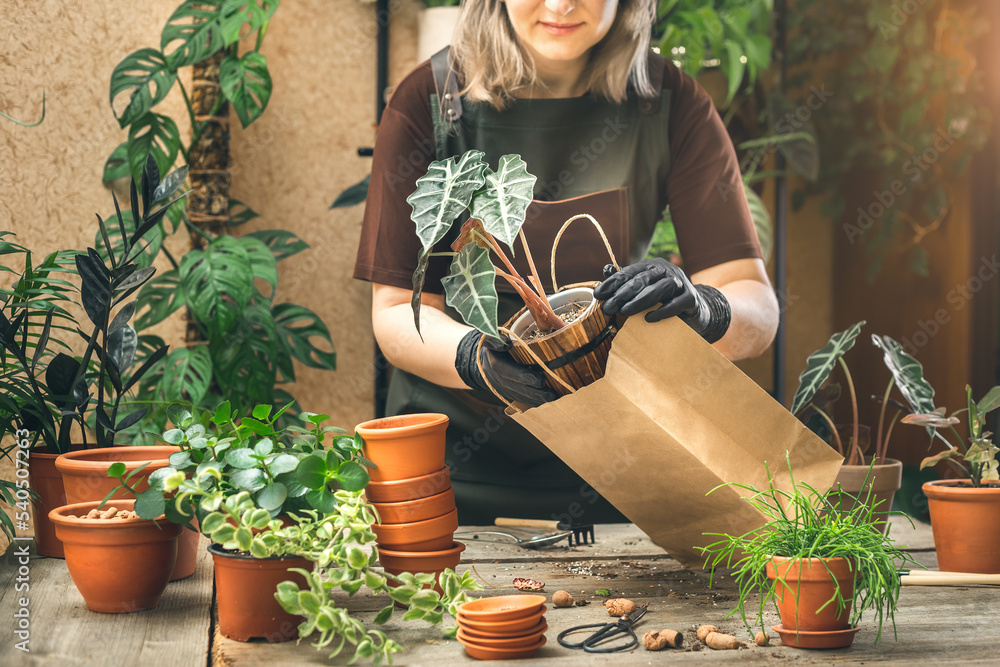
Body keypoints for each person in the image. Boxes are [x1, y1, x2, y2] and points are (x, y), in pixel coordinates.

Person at [353, 0, 779, 525]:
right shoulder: (428, 99)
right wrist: (477, 361)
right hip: (450, 478)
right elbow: (396, 311)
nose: (559, 4)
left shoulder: (672, 102)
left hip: (617, 479)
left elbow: (756, 308)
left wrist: (705, 309)